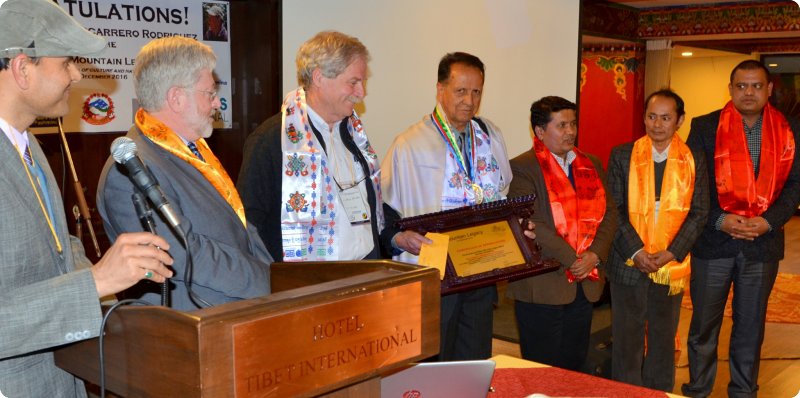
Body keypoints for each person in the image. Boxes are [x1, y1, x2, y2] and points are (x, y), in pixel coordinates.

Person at [0, 0, 173, 396]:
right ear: (22, 68)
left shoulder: (29, 147)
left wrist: (112, 290)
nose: (76, 74)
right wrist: (96, 281)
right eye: (65, 63)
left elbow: (57, 247)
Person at [97, 36, 272, 311]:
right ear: (177, 98)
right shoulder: (131, 170)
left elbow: (237, 229)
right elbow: (181, 252)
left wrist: (275, 276)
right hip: (192, 330)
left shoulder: (193, 151)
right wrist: (263, 279)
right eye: (210, 93)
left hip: (239, 313)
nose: (217, 103)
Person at [382, 52, 529, 360]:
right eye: (461, 91)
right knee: (436, 359)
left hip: (481, 269)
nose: (469, 100)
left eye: (476, 92)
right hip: (438, 276)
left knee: (474, 358)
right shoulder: (411, 143)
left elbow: (503, 192)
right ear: (440, 90)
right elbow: (387, 206)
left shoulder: (489, 136)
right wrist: (400, 237)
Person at [682, 60, 800, 398]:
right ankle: (698, 389)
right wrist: (720, 219)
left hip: (761, 244)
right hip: (713, 241)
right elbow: (694, 182)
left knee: (750, 326)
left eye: (756, 86)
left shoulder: (791, 128)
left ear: (769, 90)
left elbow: (795, 185)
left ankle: (744, 392)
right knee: (704, 325)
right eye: (742, 86)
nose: (749, 92)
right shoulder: (705, 126)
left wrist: (769, 221)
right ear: (731, 89)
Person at [238, 31, 394, 262]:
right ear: (319, 78)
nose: (362, 93)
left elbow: (366, 202)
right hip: (306, 284)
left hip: (365, 274)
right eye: (353, 82)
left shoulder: (353, 135)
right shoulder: (270, 141)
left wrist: (394, 234)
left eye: (363, 82)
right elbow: (250, 225)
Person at [606, 89, 709, 391]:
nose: (658, 124)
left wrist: (671, 252)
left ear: (680, 120)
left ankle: (659, 393)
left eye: (666, 117)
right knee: (626, 339)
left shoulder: (693, 160)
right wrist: (636, 251)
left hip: (670, 264)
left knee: (663, 340)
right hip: (628, 261)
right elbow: (614, 209)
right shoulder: (622, 154)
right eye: (652, 116)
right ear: (644, 118)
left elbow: (700, 213)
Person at [506, 96, 617, 371]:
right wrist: (574, 259)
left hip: (585, 282)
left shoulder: (590, 163)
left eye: (573, 124)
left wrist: (594, 255)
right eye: (562, 125)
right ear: (540, 131)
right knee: (542, 369)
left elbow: (610, 213)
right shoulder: (522, 167)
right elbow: (533, 223)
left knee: (574, 364)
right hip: (544, 284)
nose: (570, 131)